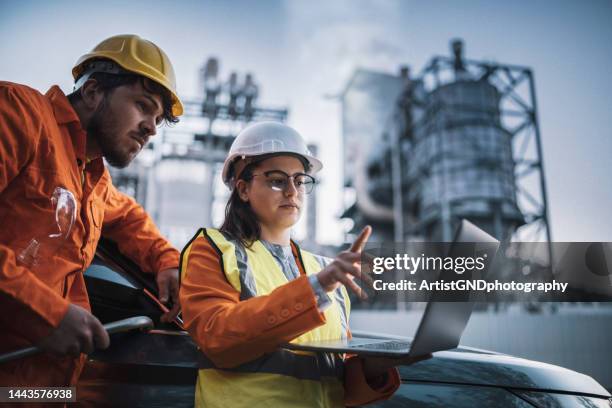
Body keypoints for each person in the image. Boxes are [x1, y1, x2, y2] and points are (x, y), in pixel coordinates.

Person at [179, 121, 429, 407]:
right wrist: (317, 287)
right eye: (276, 179)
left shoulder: (324, 269)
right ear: (243, 189)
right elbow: (217, 339)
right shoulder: (212, 249)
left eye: (299, 180)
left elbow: (333, 380)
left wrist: (375, 367)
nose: (291, 191)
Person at [0, 34, 183, 388]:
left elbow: (130, 217)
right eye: (143, 106)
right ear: (93, 91)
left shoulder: (93, 179)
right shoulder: (19, 113)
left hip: (39, 389)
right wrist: (46, 313)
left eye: (158, 118)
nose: (151, 128)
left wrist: (167, 261)